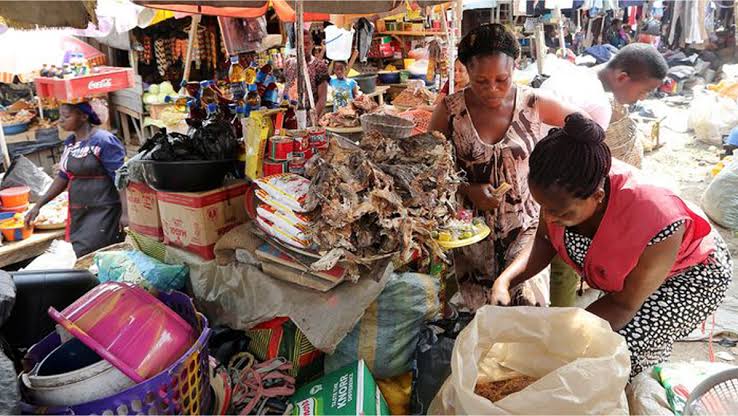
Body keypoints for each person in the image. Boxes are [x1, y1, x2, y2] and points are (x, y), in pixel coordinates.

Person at [490, 114, 732, 378]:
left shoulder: (659, 219)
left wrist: (560, 336)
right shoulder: (564, 189)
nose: (548, 218)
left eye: (559, 212)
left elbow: (624, 305)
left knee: (617, 354)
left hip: (691, 276)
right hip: (634, 276)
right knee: (577, 352)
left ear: (598, 197)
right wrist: (506, 281)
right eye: (543, 207)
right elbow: (544, 241)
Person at [428, 23, 585, 310]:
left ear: (515, 68)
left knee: (527, 308)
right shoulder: (451, 110)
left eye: (502, 79)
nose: (492, 89)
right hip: (471, 234)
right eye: (481, 81)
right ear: (465, 72)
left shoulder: (534, 104)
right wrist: (466, 187)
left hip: (527, 229)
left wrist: (561, 176)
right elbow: (427, 165)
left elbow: (586, 129)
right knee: (481, 314)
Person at [539, 42, 669, 307]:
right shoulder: (598, 105)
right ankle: (560, 321)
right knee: (562, 256)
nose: (642, 98)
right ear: (622, 77)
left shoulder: (572, 73)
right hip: (551, 184)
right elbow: (580, 168)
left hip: (536, 176)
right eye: (643, 90)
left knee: (543, 243)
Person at [26, 102, 126, 257]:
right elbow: (63, 177)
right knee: (83, 254)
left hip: (104, 211)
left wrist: (126, 214)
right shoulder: (70, 144)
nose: (61, 120)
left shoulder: (103, 141)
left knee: (101, 255)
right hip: (80, 213)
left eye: (66, 116)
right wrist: (38, 205)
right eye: (60, 116)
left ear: (84, 117)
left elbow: (121, 178)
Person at [284, 29, 329, 119]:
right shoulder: (289, 63)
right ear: (296, 45)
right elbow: (286, 89)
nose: (304, 47)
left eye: (307, 43)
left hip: (309, 116)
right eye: (301, 44)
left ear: (312, 44)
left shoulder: (319, 66)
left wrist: (312, 119)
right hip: (290, 116)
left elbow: (322, 99)